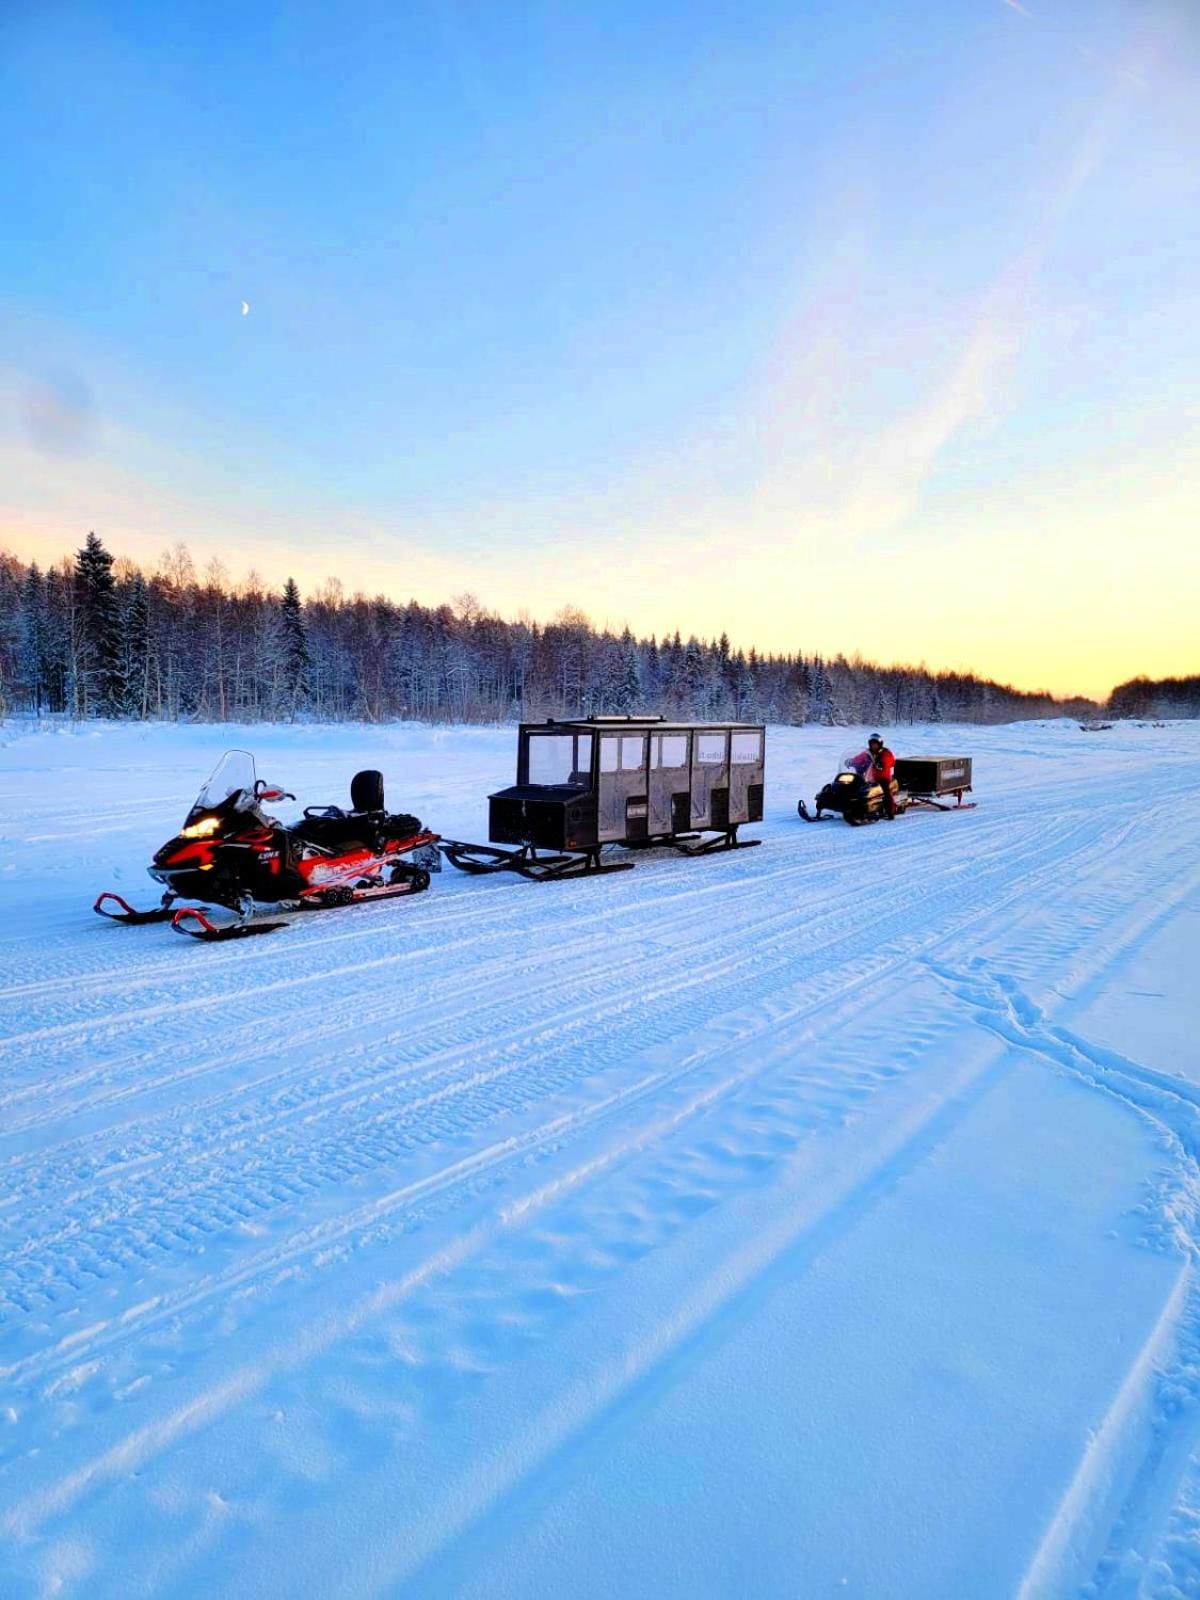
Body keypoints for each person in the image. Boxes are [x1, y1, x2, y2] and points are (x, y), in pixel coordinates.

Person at [848, 733, 897, 818]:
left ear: (880, 744)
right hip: (869, 777)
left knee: (886, 791)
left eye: (876, 744)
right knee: (854, 785)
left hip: (882, 777)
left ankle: (890, 812)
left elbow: (890, 760)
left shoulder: (885, 752)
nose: (874, 746)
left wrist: (882, 764)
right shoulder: (867, 753)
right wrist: (851, 761)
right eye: (872, 744)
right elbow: (859, 758)